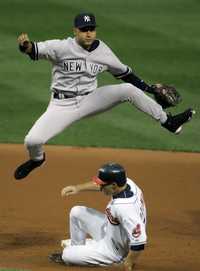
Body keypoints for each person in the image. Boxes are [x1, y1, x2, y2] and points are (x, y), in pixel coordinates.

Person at [14, 12, 194, 180]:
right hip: (62, 106)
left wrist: (149, 88)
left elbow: (125, 74)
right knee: (32, 141)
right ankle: (37, 160)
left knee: (128, 89)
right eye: (84, 30)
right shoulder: (60, 47)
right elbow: (34, 49)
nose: (88, 33)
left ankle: (168, 122)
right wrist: (25, 46)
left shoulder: (103, 50)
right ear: (75, 30)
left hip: (91, 99)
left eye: (91, 29)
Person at [48, 162, 147, 270]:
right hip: (112, 232)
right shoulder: (127, 183)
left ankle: (115, 258)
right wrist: (78, 188)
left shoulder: (125, 208)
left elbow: (140, 241)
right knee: (77, 212)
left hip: (115, 250)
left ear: (114, 185)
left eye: (102, 185)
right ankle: (79, 248)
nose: (100, 186)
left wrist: (127, 263)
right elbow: (101, 185)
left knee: (66, 254)